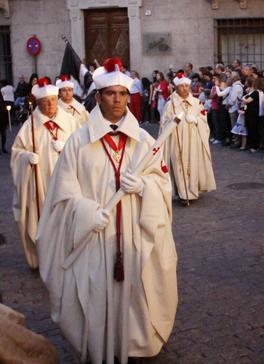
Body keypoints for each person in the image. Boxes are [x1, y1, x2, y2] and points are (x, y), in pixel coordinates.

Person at [36, 58, 178, 364]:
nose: (117, 99)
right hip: (96, 239)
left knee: (137, 295)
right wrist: (86, 212)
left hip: (134, 237)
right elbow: (62, 195)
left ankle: (134, 343)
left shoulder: (145, 141)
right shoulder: (77, 143)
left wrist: (144, 189)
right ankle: (102, 346)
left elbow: (162, 185)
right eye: (110, 93)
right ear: (98, 97)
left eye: (122, 94)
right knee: (97, 296)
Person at [11, 78, 80, 269]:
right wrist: (25, 158)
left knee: (67, 217)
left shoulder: (71, 122)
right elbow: (17, 152)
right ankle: (44, 257)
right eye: (45, 102)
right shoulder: (30, 126)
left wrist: (67, 147)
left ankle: (69, 254)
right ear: (38, 103)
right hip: (41, 182)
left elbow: (83, 147)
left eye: (52, 100)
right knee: (43, 217)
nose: (49, 105)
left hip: (66, 181)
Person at [160, 72, 216, 205]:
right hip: (176, 139)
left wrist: (196, 120)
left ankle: (193, 190)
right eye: (181, 86)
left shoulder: (196, 103)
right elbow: (163, 123)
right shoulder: (170, 104)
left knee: (193, 164)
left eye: (186, 86)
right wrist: (172, 122)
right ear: (177, 87)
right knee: (179, 165)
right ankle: (183, 194)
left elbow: (204, 120)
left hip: (194, 140)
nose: (184, 88)